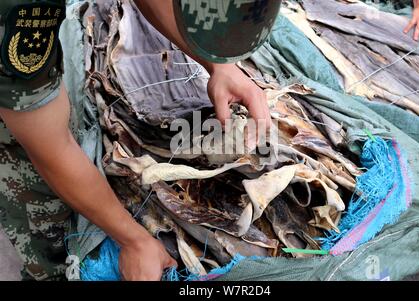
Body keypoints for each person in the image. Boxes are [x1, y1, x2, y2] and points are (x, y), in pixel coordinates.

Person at [0, 0, 279, 281]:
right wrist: (133, 240)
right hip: (14, 63)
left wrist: (218, 64)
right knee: (39, 197)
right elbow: (50, 145)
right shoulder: (22, 14)